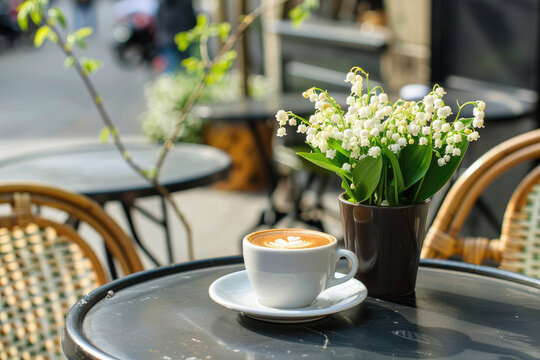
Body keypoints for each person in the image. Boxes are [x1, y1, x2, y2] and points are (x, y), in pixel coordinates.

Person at [153, 0, 196, 73]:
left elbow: (158, 21)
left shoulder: (163, 4)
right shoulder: (185, 2)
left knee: (175, 68)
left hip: (174, 39)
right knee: (181, 67)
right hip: (178, 39)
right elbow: (192, 19)